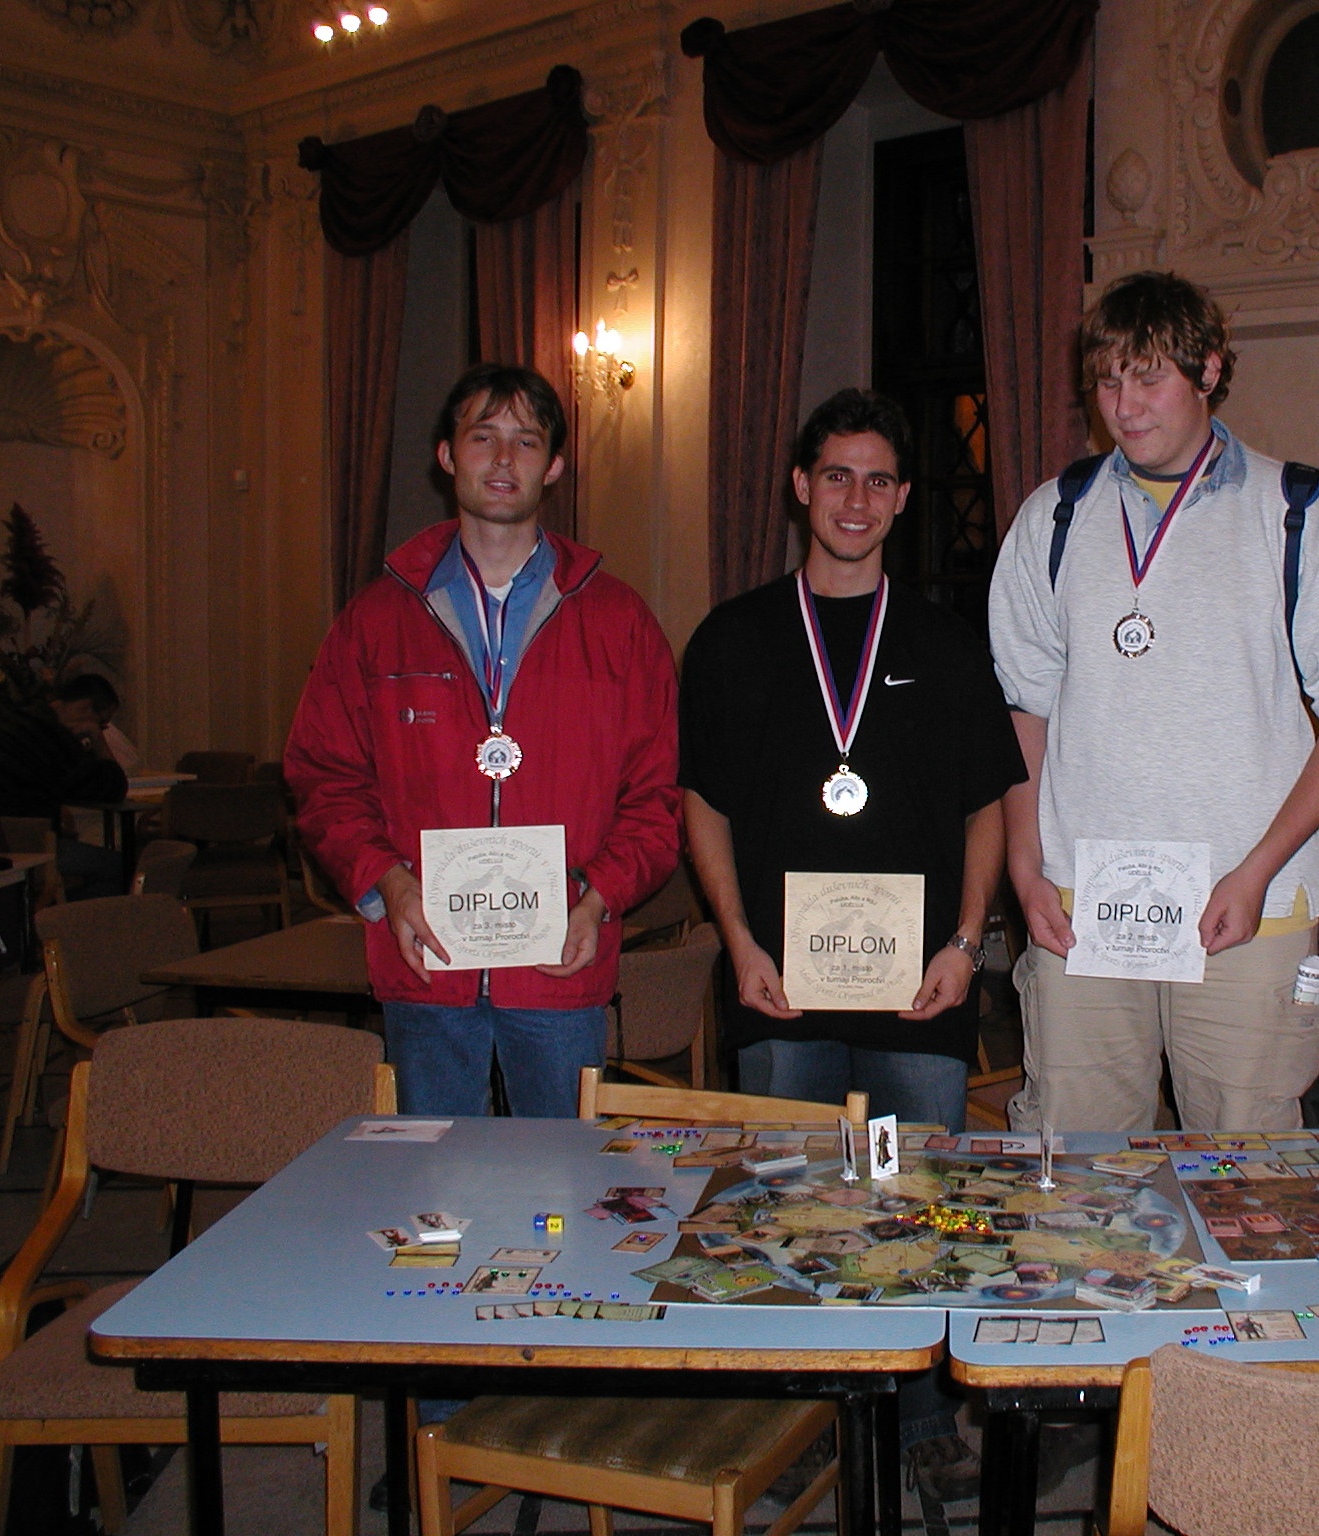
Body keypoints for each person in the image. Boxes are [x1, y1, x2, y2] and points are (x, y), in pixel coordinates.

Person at [678, 387, 1024, 1500]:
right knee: (788, 1202)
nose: (856, 499)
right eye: (836, 475)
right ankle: (800, 1412)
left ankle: (919, 1414)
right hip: (777, 984)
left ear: (904, 497)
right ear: (801, 486)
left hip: (918, 988)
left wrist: (966, 943)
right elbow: (704, 805)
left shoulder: (943, 643)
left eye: (878, 480)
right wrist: (737, 941)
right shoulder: (732, 639)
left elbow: (985, 805)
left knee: (911, 1197)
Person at [988, 269, 1319, 1133]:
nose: (1124, 407)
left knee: (1242, 1170)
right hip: (1083, 909)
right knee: (1079, 1167)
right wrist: (1026, 870)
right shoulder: (1055, 518)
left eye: (1148, 378)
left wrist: (1257, 871)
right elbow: (1023, 707)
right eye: (1108, 381)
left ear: (1209, 369)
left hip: (1247, 912)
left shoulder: (1293, 511)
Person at [286, 363, 681, 1118]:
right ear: (446, 455)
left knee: (561, 1175)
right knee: (435, 1178)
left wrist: (599, 899)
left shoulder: (619, 622)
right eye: (483, 437)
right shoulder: (375, 620)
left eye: (526, 441)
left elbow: (655, 796)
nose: (504, 459)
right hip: (426, 958)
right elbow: (323, 776)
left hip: (561, 960)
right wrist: (387, 883)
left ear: (554, 465)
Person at [0, 678, 126, 899]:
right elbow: (112, 788)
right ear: (86, 707)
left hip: (3, 840)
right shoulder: (52, 735)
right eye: (102, 724)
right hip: (26, 846)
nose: (100, 729)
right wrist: (97, 739)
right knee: (122, 866)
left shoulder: (13, 717)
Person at [52, 674, 140, 774]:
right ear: (85, 707)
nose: (99, 729)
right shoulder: (43, 735)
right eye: (100, 723)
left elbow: (112, 779)